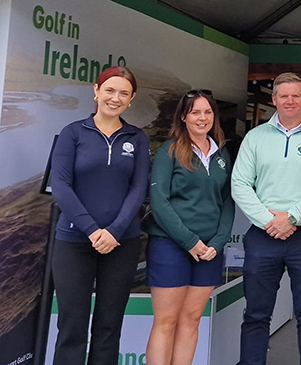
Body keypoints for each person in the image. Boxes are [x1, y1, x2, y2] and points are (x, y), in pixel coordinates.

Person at [231, 73, 301, 365]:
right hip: (263, 236)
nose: (290, 101)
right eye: (283, 96)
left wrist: (292, 217)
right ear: (274, 99)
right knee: (256, 313)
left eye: (296, 95)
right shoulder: (255, 137)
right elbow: (240, 183)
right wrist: (269, 220)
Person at [50, 66, 150, 365]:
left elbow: (139, 187)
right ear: (96, 91)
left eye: (123, 93)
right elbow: (61, 186)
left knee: (109, 325)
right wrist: (93, 231)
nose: (115, 98)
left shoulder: (137, 138)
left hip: (122, 244)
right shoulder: (73, 133)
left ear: (131, 99)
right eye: (110, 90)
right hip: (73, 242)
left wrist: (114, 231)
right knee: (72, 325)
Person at [145, 89, 235, 365]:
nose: (202, 117)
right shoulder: (169, 151)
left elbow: (227, 201)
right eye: (195, 112)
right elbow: (159, 202)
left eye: (208, 112)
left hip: (209, 250)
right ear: (183, 116)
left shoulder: (221, 153)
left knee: (192, 319)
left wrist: (217, 243)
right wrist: (190, 242)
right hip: (171, 245)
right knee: (166, 320)